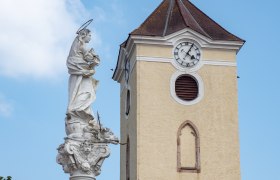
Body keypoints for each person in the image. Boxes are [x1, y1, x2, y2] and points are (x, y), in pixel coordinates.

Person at [66, 28, 100, 122]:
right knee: (86, 93)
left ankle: (79, 110)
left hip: (78, 76)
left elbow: (85, 62)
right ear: (84, 35)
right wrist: (95, 60)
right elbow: (93, 60)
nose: (90, 38)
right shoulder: (82, 46)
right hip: (81, 77)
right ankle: (78, 110)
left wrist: (89, 69)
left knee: (81, 93)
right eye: (89, 35)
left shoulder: (76, 47)